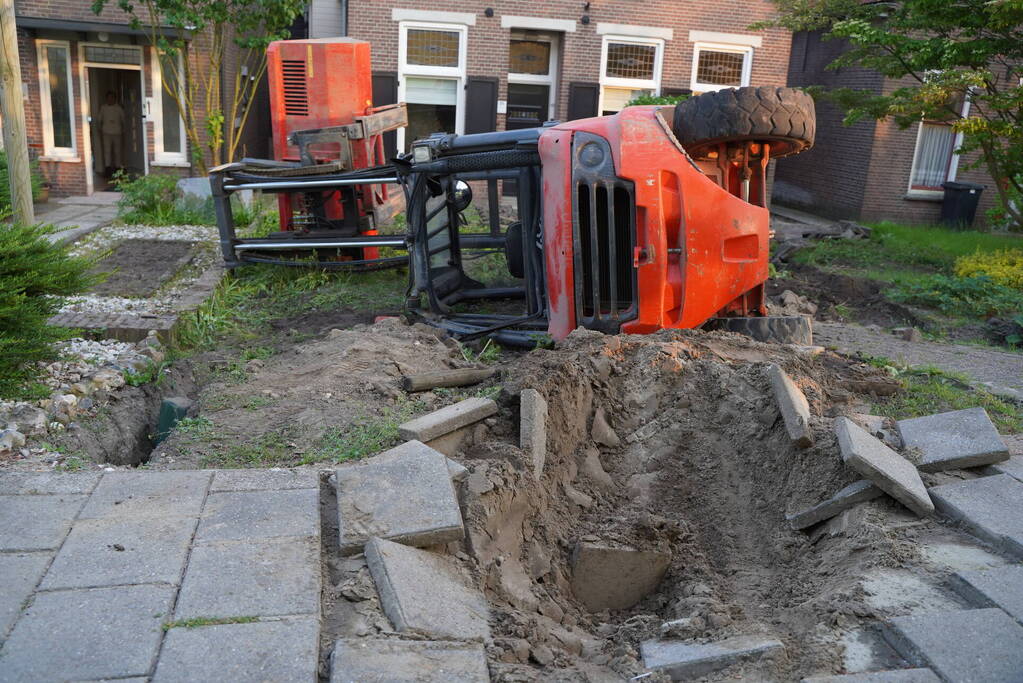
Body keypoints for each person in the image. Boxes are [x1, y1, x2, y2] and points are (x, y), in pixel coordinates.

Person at [98, 91, 125, 176]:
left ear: (114, 98)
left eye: (112, 97)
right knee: (107, 151)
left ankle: (118, 168)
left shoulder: (119, 108)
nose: (110, 99)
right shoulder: (103, 108)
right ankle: (108, 169)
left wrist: (123, 130)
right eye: (108, 98)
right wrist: (100, 129)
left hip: (117, 132)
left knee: (117, 151)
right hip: (106, 132)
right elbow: (99, 120)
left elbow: (123, 120)